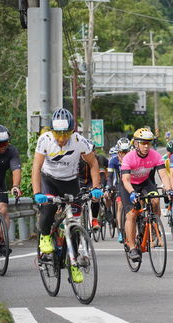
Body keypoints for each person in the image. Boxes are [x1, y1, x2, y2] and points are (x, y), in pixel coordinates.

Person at [32, 108, 103, 283]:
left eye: (66, 133)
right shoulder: (45, 140)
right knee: (48, 209)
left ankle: (73, 264)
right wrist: (37, 193)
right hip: (49, 179)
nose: (62, 138)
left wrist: (96, 187)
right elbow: (36, 167)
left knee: (75, 223)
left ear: (72, 131)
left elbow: (94, 164)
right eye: (58, 133)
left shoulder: (79, 141)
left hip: (70, 182)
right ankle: (45, 237)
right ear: (52, 131)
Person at [120, 128, 173, 262]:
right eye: (143, 143)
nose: (146, 146)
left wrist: (169, 189)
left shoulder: (155, 156)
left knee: (155, 201)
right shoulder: (128, 157)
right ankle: (132, 247)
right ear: (136, 144)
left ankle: (154, 226)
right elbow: (125, 180)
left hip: (145, 183)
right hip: (129, 186)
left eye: (148, 143)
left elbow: (163, 175)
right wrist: (132, 193)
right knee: (132, 214)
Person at [0, 125, 22, 255]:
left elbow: (16, 170)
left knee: (3, 210)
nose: (4, 146)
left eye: (6, 142)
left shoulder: (11, 151)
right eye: (0, 144)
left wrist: (15, 186)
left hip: (0, 185)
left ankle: (2, 242)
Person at [107, 138, 131, 242]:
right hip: (119, 185)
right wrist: (109, 187)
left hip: (132, 184)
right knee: (120, 206)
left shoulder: (133, 158)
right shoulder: (113, 161)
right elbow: (110, 176)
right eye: (122, 152)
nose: (124, 155)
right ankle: (121, 231)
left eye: (127, 152)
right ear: (118, 151)